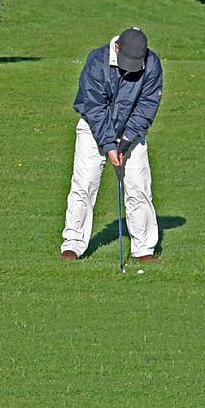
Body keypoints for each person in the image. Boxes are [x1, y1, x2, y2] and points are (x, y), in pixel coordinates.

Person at [60, 26, 163, 263]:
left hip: (131, 131)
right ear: (116, 47)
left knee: (139, 187)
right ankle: (73, 244)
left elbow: (147, 106)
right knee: (84, 184)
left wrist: (125, 142)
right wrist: (109, 145)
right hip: (93, 128)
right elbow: (95, 108)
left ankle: (144, 249)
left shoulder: (152, 64)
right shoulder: (97, 61)